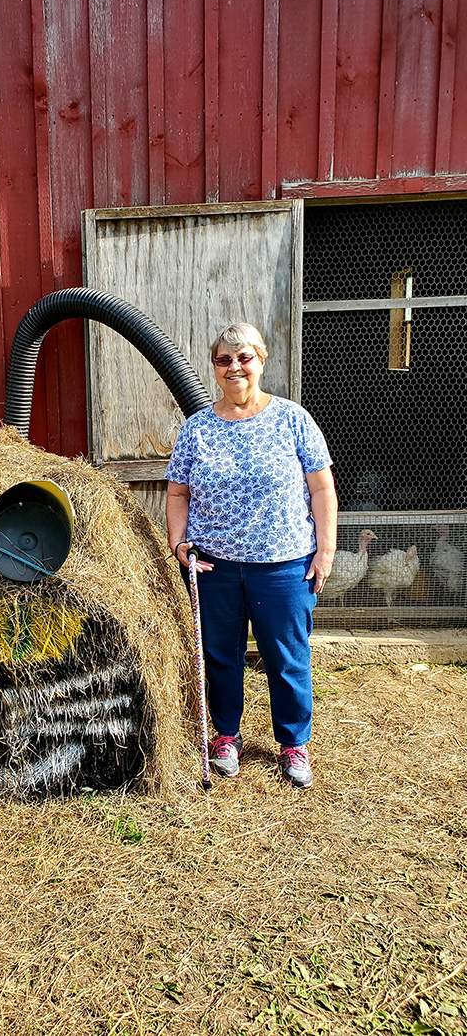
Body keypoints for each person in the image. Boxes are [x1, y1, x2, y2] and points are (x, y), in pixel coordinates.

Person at [165, 324, 337, 789]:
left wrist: (325, 550)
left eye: (244, 357)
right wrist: (178, 543)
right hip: (214, 566)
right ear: (215, 368)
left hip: (284, 565)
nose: (234, 367)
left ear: (261, 360)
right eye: (224, 360)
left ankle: (293, 743)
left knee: (287, 657)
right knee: (221, 655)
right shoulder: (197, 428)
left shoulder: (293, 419)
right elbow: (178, 493)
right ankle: (226, 736)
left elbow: (322, 489)